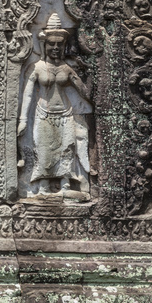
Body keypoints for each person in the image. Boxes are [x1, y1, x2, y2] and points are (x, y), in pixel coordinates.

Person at [18, 13, 93, 197]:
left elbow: (85, 93)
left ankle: (65, 185)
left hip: (66, 114)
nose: (56, 47)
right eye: (52, 43)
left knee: (67, 149)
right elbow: (27, 94)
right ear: (45, 44)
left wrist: (88, 70)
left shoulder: (67, 69)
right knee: (43, 150)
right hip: (43, 114)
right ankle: (42, 187)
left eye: (60, 44)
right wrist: (22, 119)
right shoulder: (36, 68)